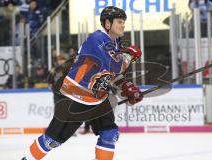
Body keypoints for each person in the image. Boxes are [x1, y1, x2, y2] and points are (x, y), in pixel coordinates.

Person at [22, 6, 143, 160]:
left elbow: (110, 72)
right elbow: (115, 65)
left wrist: (126, 87)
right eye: (119, 21)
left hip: (98, 98)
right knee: (52, 140)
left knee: (110, 133)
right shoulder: (97, 39)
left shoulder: (115, 44)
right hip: (75, 96)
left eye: (123, 22)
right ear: (107, 24)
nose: (123, 25)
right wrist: (129, 56)